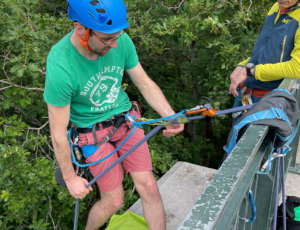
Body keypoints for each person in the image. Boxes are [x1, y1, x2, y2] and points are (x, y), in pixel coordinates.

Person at [43, 0, 184, 229]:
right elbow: (57, 130)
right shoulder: (61, 64)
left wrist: (169, 115)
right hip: (91, 133)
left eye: (117, 36)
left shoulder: (120, 40)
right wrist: (70, 178)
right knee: (114, 200)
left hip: (125, 121)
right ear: (81, 29)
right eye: (107, 39)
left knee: (149, 186)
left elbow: (145, 83)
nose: (115, 45)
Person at [229, 0, 300, 124]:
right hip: (247, 94)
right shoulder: (276, 7)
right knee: (234, 141)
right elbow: (264, 48)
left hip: (270, 103)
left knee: (254, 141)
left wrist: (249, 71)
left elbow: (297, 68)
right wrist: (243, 65)